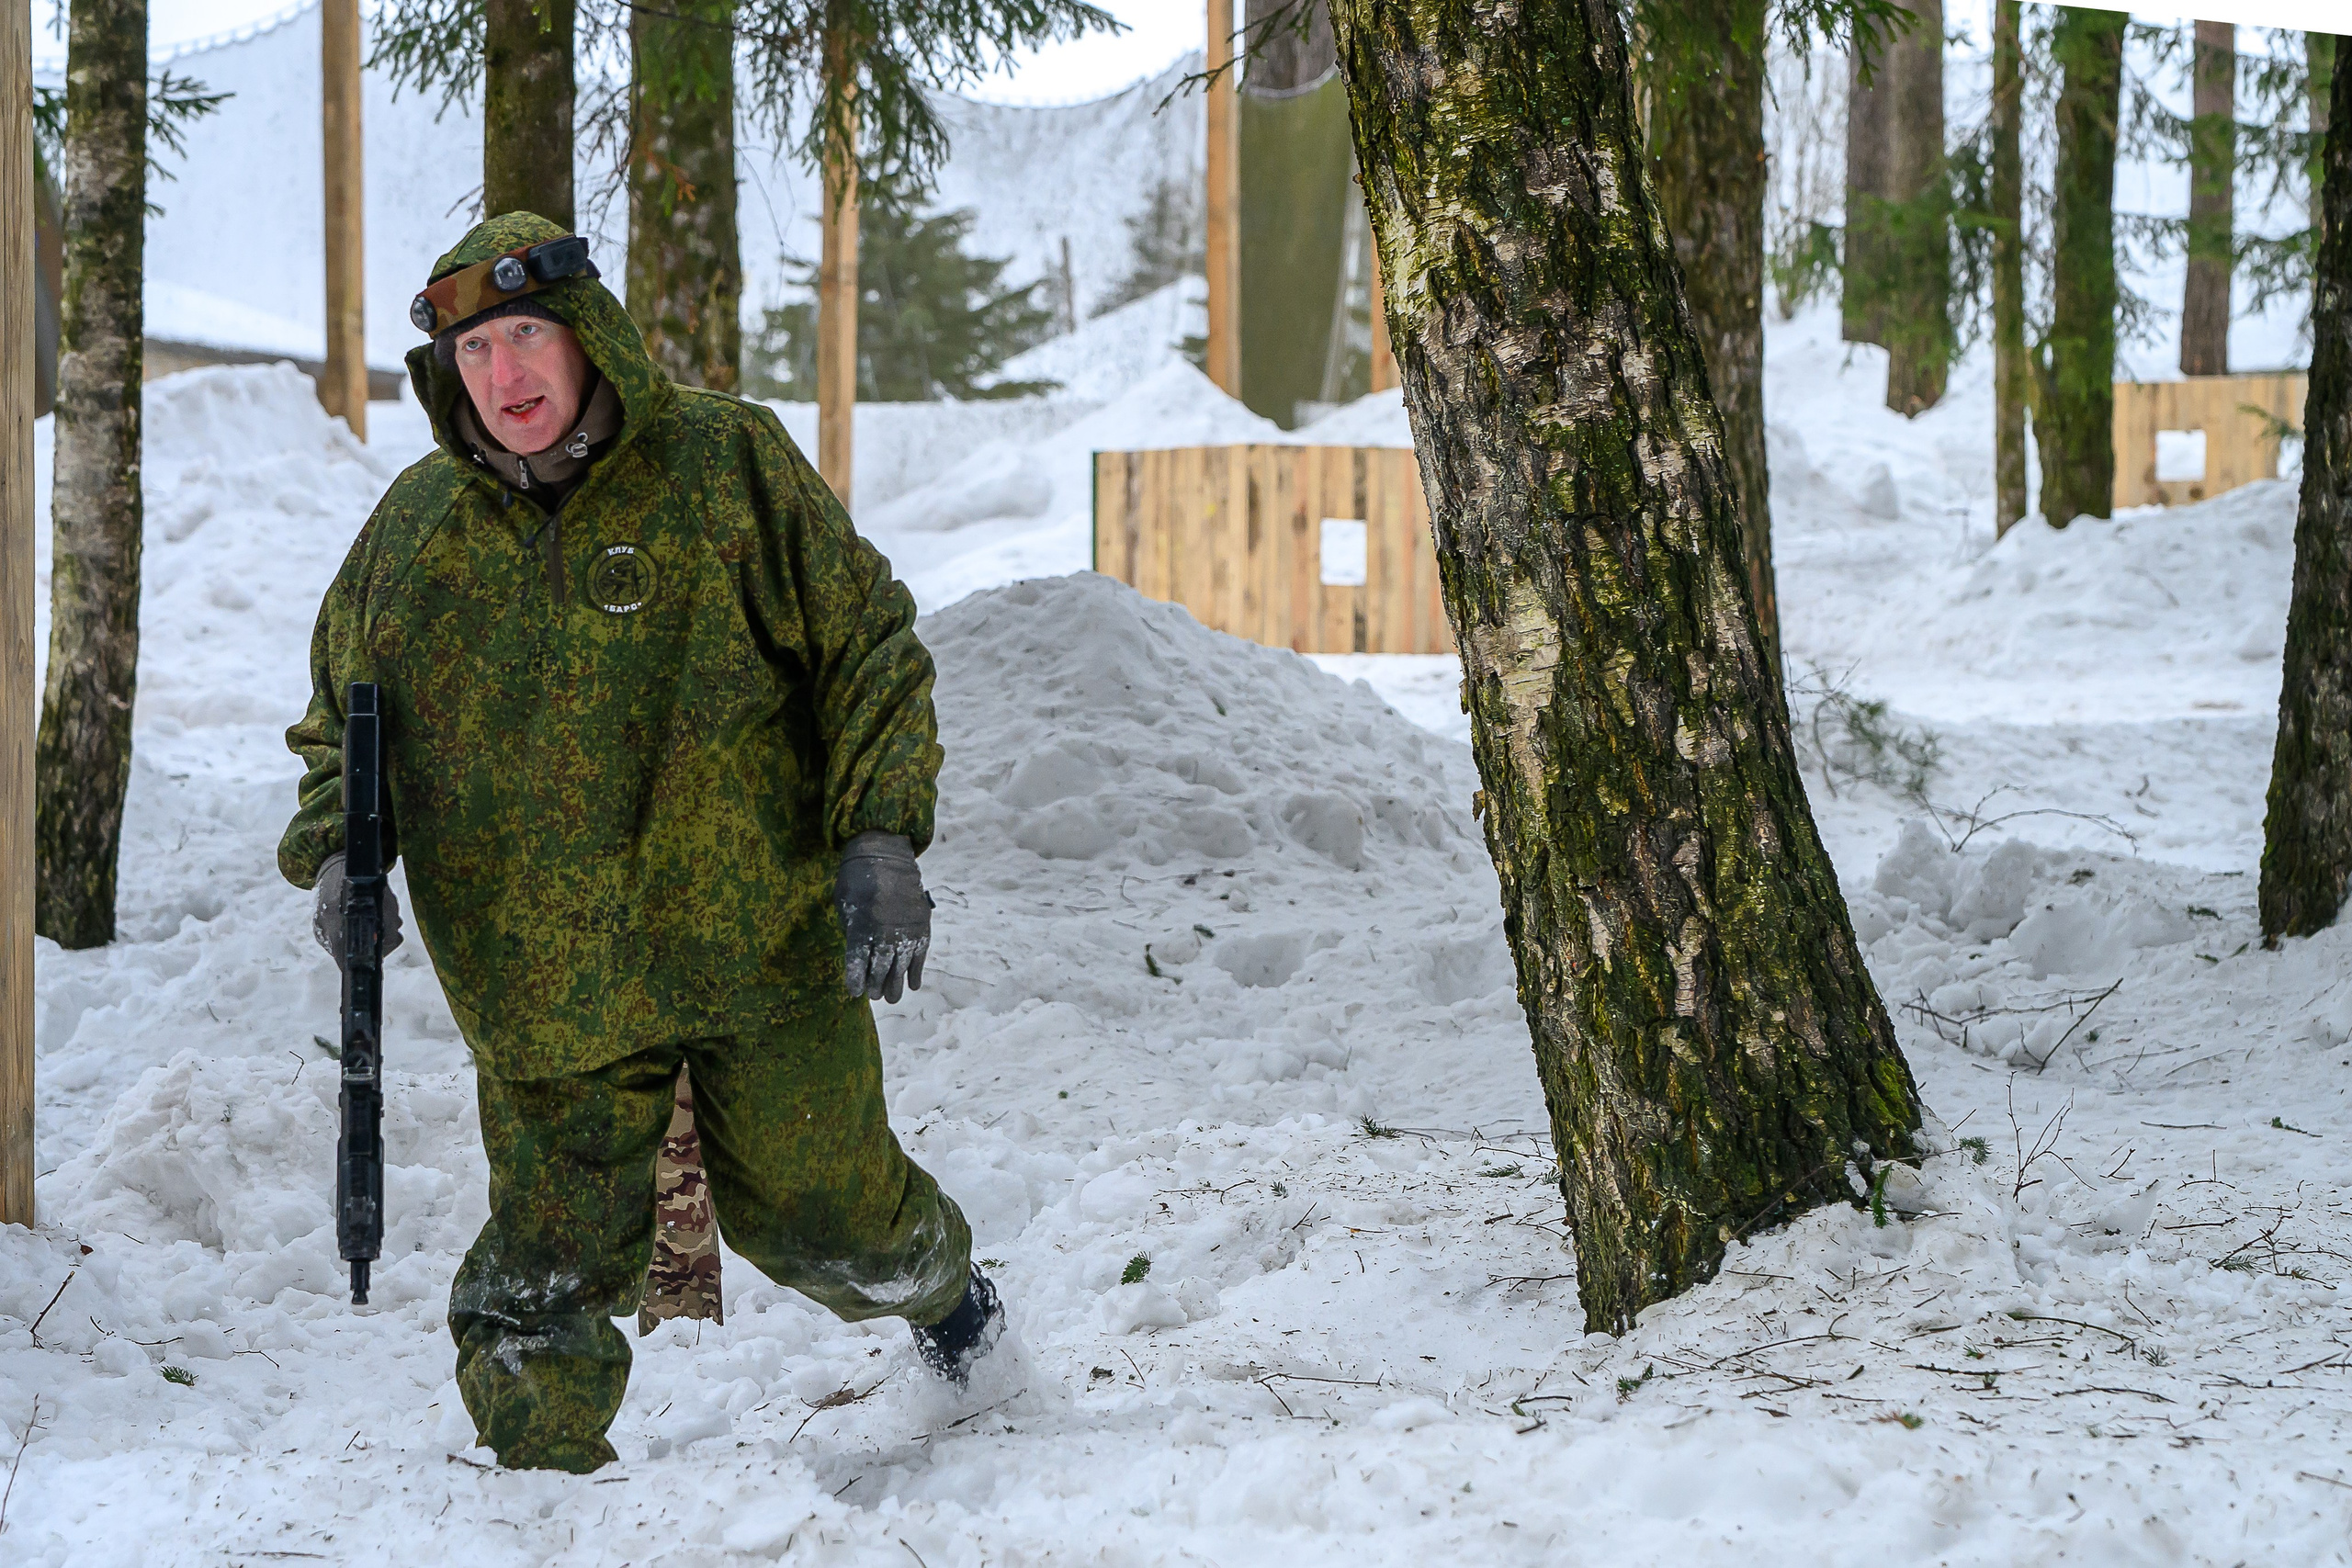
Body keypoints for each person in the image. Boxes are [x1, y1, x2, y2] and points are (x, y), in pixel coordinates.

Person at [278, 211, 1002, 1474]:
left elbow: (868, 649)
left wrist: (881, 832)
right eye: (475, 354)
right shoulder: (416, 536)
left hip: (756, 948)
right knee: (539, 1291)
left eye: (524, 336)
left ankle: (958, 1314)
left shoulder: (724, 466)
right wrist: (343, 851)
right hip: (542, 985)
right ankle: (542, 1512)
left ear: (586, 332)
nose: (505, 378)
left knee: (835, 1221)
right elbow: (344, 725)